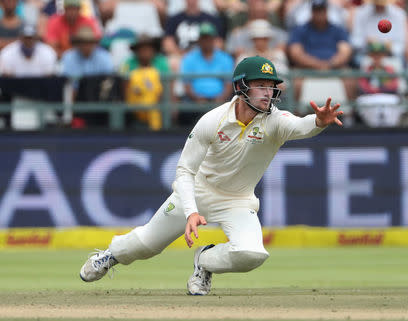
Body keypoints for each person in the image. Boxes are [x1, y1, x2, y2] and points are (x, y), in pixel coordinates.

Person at [79, 55, 343, 295]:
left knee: (252, 254)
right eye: (260, 85)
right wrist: (192, 211)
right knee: (147, 245)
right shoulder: (212, 120)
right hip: (197, 192)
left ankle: (204, 261)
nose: (268, 92)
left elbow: (300, 125)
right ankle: (111, 255)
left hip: (237, 201)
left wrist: (318, 121)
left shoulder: (275, 120)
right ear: (241, 88)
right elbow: (184, 171)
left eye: (271, 86)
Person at [178, 21, 233, 126]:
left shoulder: (226, 58)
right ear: (199, 40)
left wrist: (221, 98)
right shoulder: (189, 58)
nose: (206, 41)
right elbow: (187, 85)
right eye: (204, 38)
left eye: (209, 38)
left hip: (220, 99)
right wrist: (197, 98)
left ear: (214, 40)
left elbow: (228, 85)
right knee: (184, 109)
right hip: (195, 100)